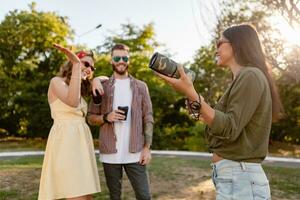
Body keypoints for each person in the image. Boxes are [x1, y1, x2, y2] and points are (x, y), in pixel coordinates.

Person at [156, 24, 282, 200]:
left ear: (236, 45)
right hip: (234, 176)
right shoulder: (241, 78)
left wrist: (190, 92)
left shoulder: (251, 75)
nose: (215, 48)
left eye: (219, 43)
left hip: (241, 177)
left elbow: (230, 128)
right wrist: (200, 108)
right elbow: (224, 125)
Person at [87, 43, 153, 200]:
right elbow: (90, 117)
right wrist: (106, 117)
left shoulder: (141, 87)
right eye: (117, 58)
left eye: (124, 58)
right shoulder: (102, 87)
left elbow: (148, 117)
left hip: (135, 152)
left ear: (129, 60)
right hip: (110, 153)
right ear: (111, 60)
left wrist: (147, 147)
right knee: (114, 197)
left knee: (144, 196)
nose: (121, 61)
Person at [38, 44, 102, 200]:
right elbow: (72, 102)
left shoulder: (78, 88)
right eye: (86, 64)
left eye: (92, 68)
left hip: (81, 143)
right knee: (76, 193)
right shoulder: (56, 82)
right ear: (74, 62)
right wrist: (76, 66)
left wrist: (97, 79)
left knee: (87, 196)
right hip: (66, 142)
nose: (89, 69)